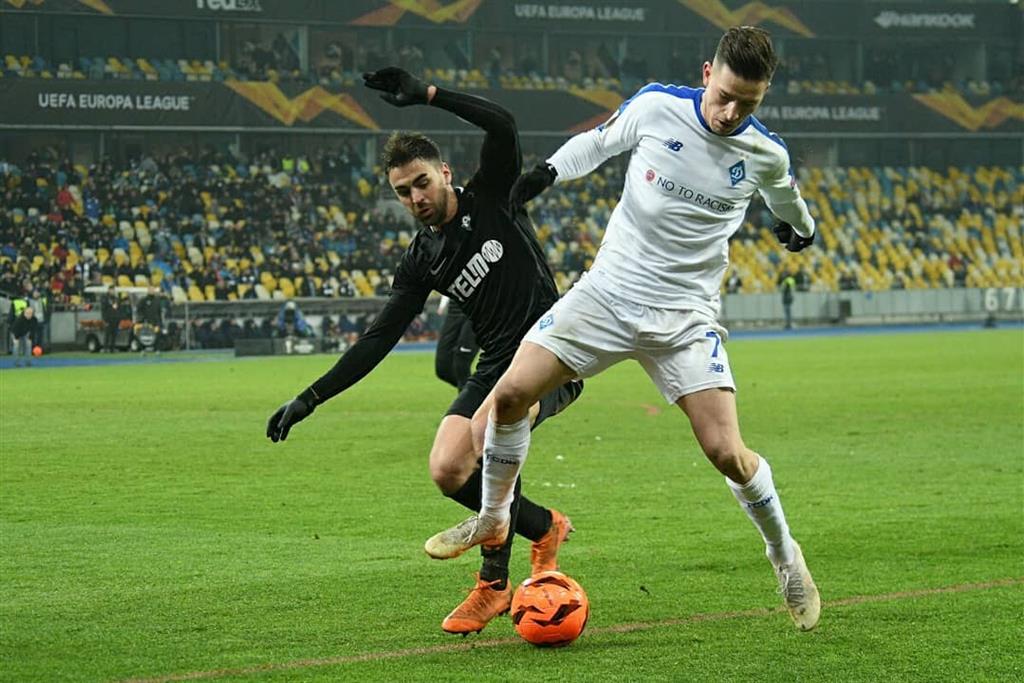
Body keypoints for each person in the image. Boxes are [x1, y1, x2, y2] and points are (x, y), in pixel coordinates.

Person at [427, 26, 821, 632]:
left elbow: (788, 199)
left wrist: (803, 228)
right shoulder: (659, 106)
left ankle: (785, 556)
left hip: (684, 318)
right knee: (509, 395)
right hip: (607, 295)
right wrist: (546, 174)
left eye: (748, 103)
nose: (730, 113)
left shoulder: (765, 153)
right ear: (707, 72)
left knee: (728, 454)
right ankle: (494, 517)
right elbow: (598, 143)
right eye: (725, 96)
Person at [266, 67, 583, 635]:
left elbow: (503, 125)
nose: (416, 198)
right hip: (495, 364)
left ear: (445, 173)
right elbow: (379, 338)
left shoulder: (492, 195)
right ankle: (543, 526)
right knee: (446, 468)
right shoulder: (421, 260)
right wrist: (310, 398)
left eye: (422, 183)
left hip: (552, 354)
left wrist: (430, 96)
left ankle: (492, 584)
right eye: (403, 192)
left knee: (487, 437)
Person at [434, 295, 479, 391]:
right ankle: (478, 393)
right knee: (442, 368)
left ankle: (470, 397)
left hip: (477, 305)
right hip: (455, 306)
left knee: (462, 361)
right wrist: (442, 304)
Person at [100, 285, 121, 352]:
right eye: (112, 290)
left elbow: (118, 309)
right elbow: (103, 309)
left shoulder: (116, 299)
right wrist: (105, 319)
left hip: (115, 319)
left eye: (114, 290)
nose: (113, 291)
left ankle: (112, 348)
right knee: (107, 334)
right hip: (108, 319)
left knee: (114, 335)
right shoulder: (105, 298)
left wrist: (118, 318)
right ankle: (105, 348)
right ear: (109, 290)